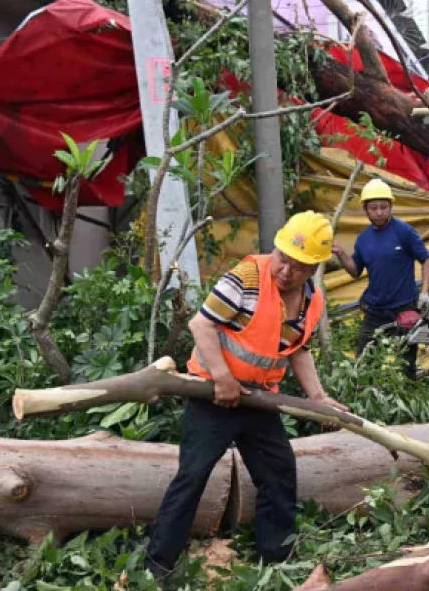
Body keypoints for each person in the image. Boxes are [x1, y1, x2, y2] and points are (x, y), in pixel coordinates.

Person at [144, 211, 349, 581]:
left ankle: (277, 558)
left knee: (278, 472)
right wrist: (222, 378)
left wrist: (317, 396)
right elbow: (201, 324)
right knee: (192, 477)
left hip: (258, 399)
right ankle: (157, 565)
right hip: (212, 395)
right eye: (283, 257)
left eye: (298, 266)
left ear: (314, 267)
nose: (286, 270)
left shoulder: (310, 300)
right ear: (276, 246)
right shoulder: (246, 279)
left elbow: (297, 349)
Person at [331, 179, 429, 379]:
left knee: (406, 363)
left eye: (384, 207)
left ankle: (408, 392)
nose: (379, 212)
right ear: (365, 209)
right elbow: (355, 271)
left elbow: (427, 260)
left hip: (405, 308)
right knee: (363, 360)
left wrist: (425, 292)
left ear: (391, 207)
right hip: (375, 310)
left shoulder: (404, 232)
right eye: (374, 208)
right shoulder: (363, 239)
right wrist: (341, 254)